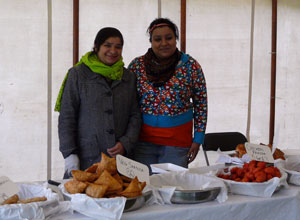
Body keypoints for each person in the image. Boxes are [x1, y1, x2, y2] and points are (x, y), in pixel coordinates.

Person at [55, 27, 141, 179]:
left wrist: (125, 143)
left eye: (118, 46)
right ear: (96, 47)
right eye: (107, 45)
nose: (113, 51)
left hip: (120, 161)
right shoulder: (77, 74)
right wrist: (70, 154)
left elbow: (135, 115)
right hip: (87, 158)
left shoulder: (128, 77)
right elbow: (67, 116)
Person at [128, 18, 207, 172]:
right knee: (145, 188)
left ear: (176, 39)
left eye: (169, 38)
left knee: (172, 188)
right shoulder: (137, 66)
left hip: (177, 143)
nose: (164, 43)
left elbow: (201, 104)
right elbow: (127, 104)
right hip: (143, 142)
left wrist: (198, 139)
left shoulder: (190, 66)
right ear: (151, 41)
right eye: (158, 39)